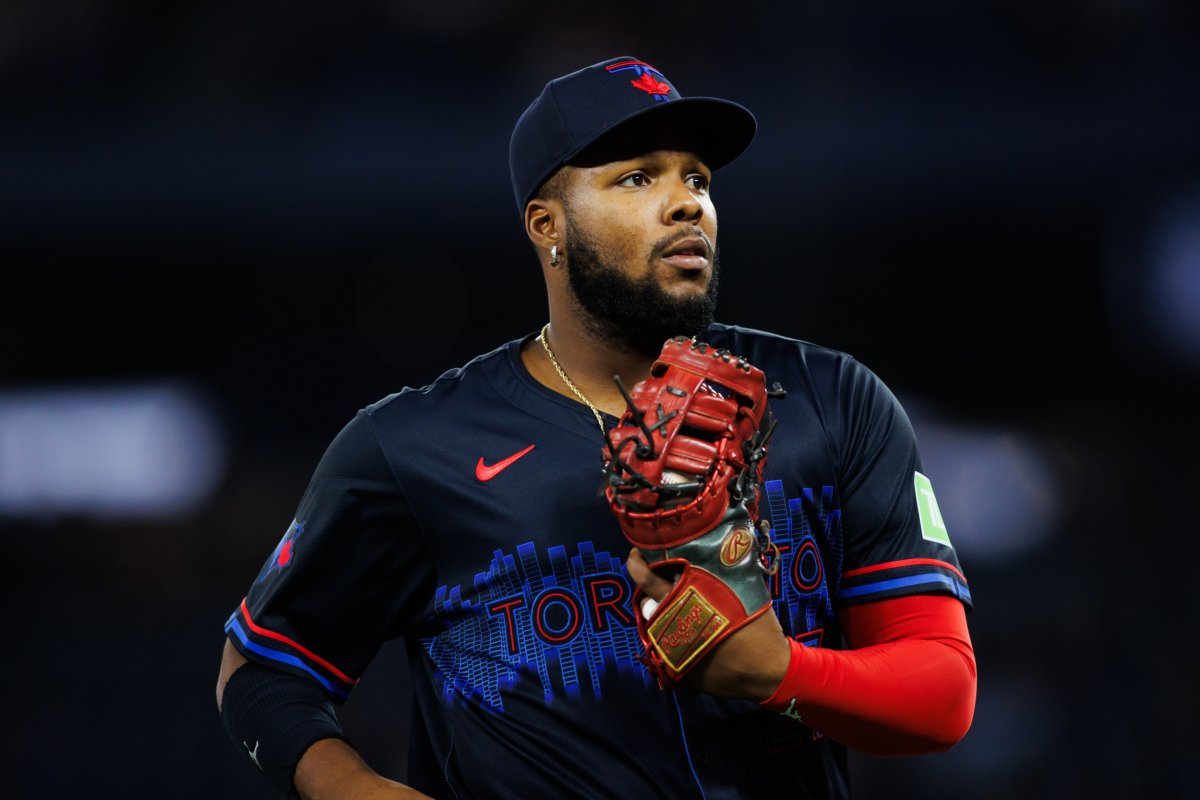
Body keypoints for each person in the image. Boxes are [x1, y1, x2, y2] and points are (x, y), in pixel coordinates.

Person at [215, 56, 977, 799]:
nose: (686, 203)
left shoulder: (830, 400)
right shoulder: (416, 447)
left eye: (697, 178)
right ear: (548, 224)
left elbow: (942, 694)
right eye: (638, 177)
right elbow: (264, 673)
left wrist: (778, 671)